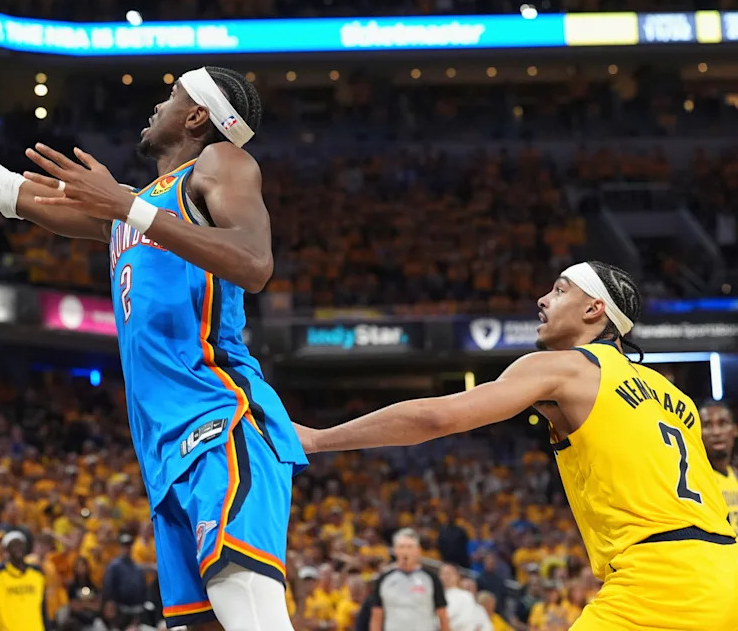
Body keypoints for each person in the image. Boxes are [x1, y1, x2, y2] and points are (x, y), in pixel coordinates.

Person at [0, 65, 307, 631]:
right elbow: (7, 193)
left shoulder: (218, 164)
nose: (156, 106)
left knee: (254, 620)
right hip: (166, 453)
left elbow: (256, 264)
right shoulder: (140, 206)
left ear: (196, 116)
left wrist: (126, 207)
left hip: (219, 423)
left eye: (171, 97)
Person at [295, 261, 738, 630]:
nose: (543, 300)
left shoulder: (563, 368)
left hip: (660, 581)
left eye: (560, 290)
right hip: (726, 571)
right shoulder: (675, 396)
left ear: (594, 309)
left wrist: (319, 438)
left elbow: (438, 416)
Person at [368, 528, 449, 631]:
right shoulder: (383, 579)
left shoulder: (431, 579)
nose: (405, 551)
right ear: (395, 550)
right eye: (401, 547)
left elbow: (443, 617)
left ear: (418, 551)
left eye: (410, 547)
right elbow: (376, 617)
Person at [0, 531, 48, 631]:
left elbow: (43, 606)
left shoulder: (37, 573)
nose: (18, 549)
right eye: (13, 546)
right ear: (7, 550)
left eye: (20, 545)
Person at [699, 400, 738, 535]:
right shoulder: (694, 479)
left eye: (722, 423)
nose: (716, 432)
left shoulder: (735, 475)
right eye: (707, 425)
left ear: (734, 430)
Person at [438, 565, 491, 631]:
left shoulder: (466, 596)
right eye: (443, 574)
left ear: (457, 576)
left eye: (449, 573)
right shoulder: (435, 596)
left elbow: (467, 619)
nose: (446, 577)